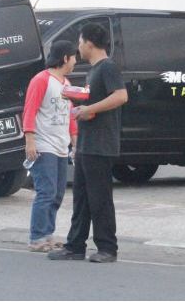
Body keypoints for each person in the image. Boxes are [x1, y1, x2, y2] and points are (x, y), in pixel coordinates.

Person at [48, 23, 127, 263]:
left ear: (90, 43)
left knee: (99, 198)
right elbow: (94, 102)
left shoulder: (108, 68)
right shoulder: (93, 71)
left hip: (101, 144)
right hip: (86, 143)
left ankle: (107, 248)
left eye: (80, 42)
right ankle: (75, 246)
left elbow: (121, 96)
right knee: (81, 197)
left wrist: (89, 107)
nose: (79, 47)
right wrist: (76, 99)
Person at [22, 40, 78, 252]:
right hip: (43, 145)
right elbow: (30, 110)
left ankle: (48, 234)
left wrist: (74, 138)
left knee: (57, 193)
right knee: (46, 191)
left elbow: (69, 112)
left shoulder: (66, 83)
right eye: (73, 57)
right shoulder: (41, 80)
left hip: (61, 146)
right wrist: (30, 140)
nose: (75, 61)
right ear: (65, 58)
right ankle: (37, 237)